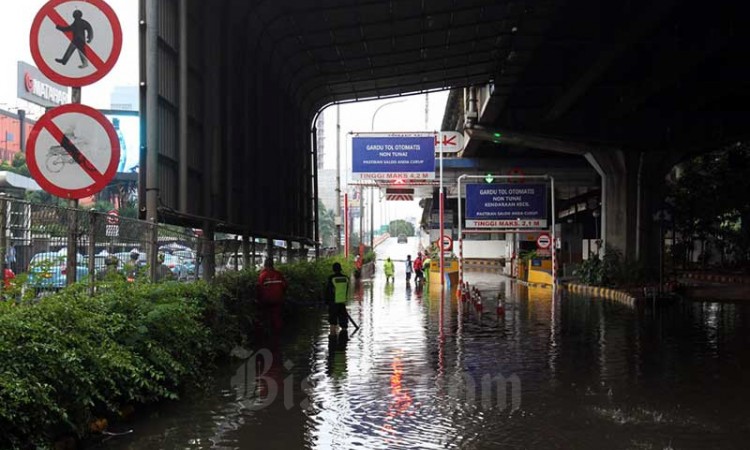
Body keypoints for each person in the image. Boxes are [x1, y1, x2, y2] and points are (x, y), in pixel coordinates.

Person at [256, 258, 288, 333]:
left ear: (265, 265)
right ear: (273, 265)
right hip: (278, 300)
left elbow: (259, 288)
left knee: (266, 317)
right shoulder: (279, 274)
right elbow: (285, 286)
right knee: (277, 317)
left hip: (266, 301)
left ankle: (267, 332)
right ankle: (278, 334)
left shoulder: (263, 275)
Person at [326, 262, 350, 333]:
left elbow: (328, 291)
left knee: (333, 322)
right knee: (344, 324)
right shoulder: (346, 278)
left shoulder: (331, 278)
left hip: (333, 303)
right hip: (342, 303)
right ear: (340, 269)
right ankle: (344, 339)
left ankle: (333, 339)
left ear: (333, 269)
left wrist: (326, 302)